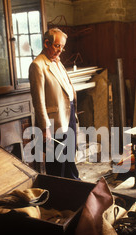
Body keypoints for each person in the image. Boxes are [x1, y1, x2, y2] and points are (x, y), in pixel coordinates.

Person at [29, 28, 80, 180]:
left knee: (70, 154)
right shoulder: (37, 65)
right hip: (54, 121)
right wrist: (45, 128)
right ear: (46, 43)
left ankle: (74, 184)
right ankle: (60, 191)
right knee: (57, 160)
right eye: (57, 46)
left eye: (62, 47)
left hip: (68, 114)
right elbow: (38, 100)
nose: (60, 50)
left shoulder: (57, 62)